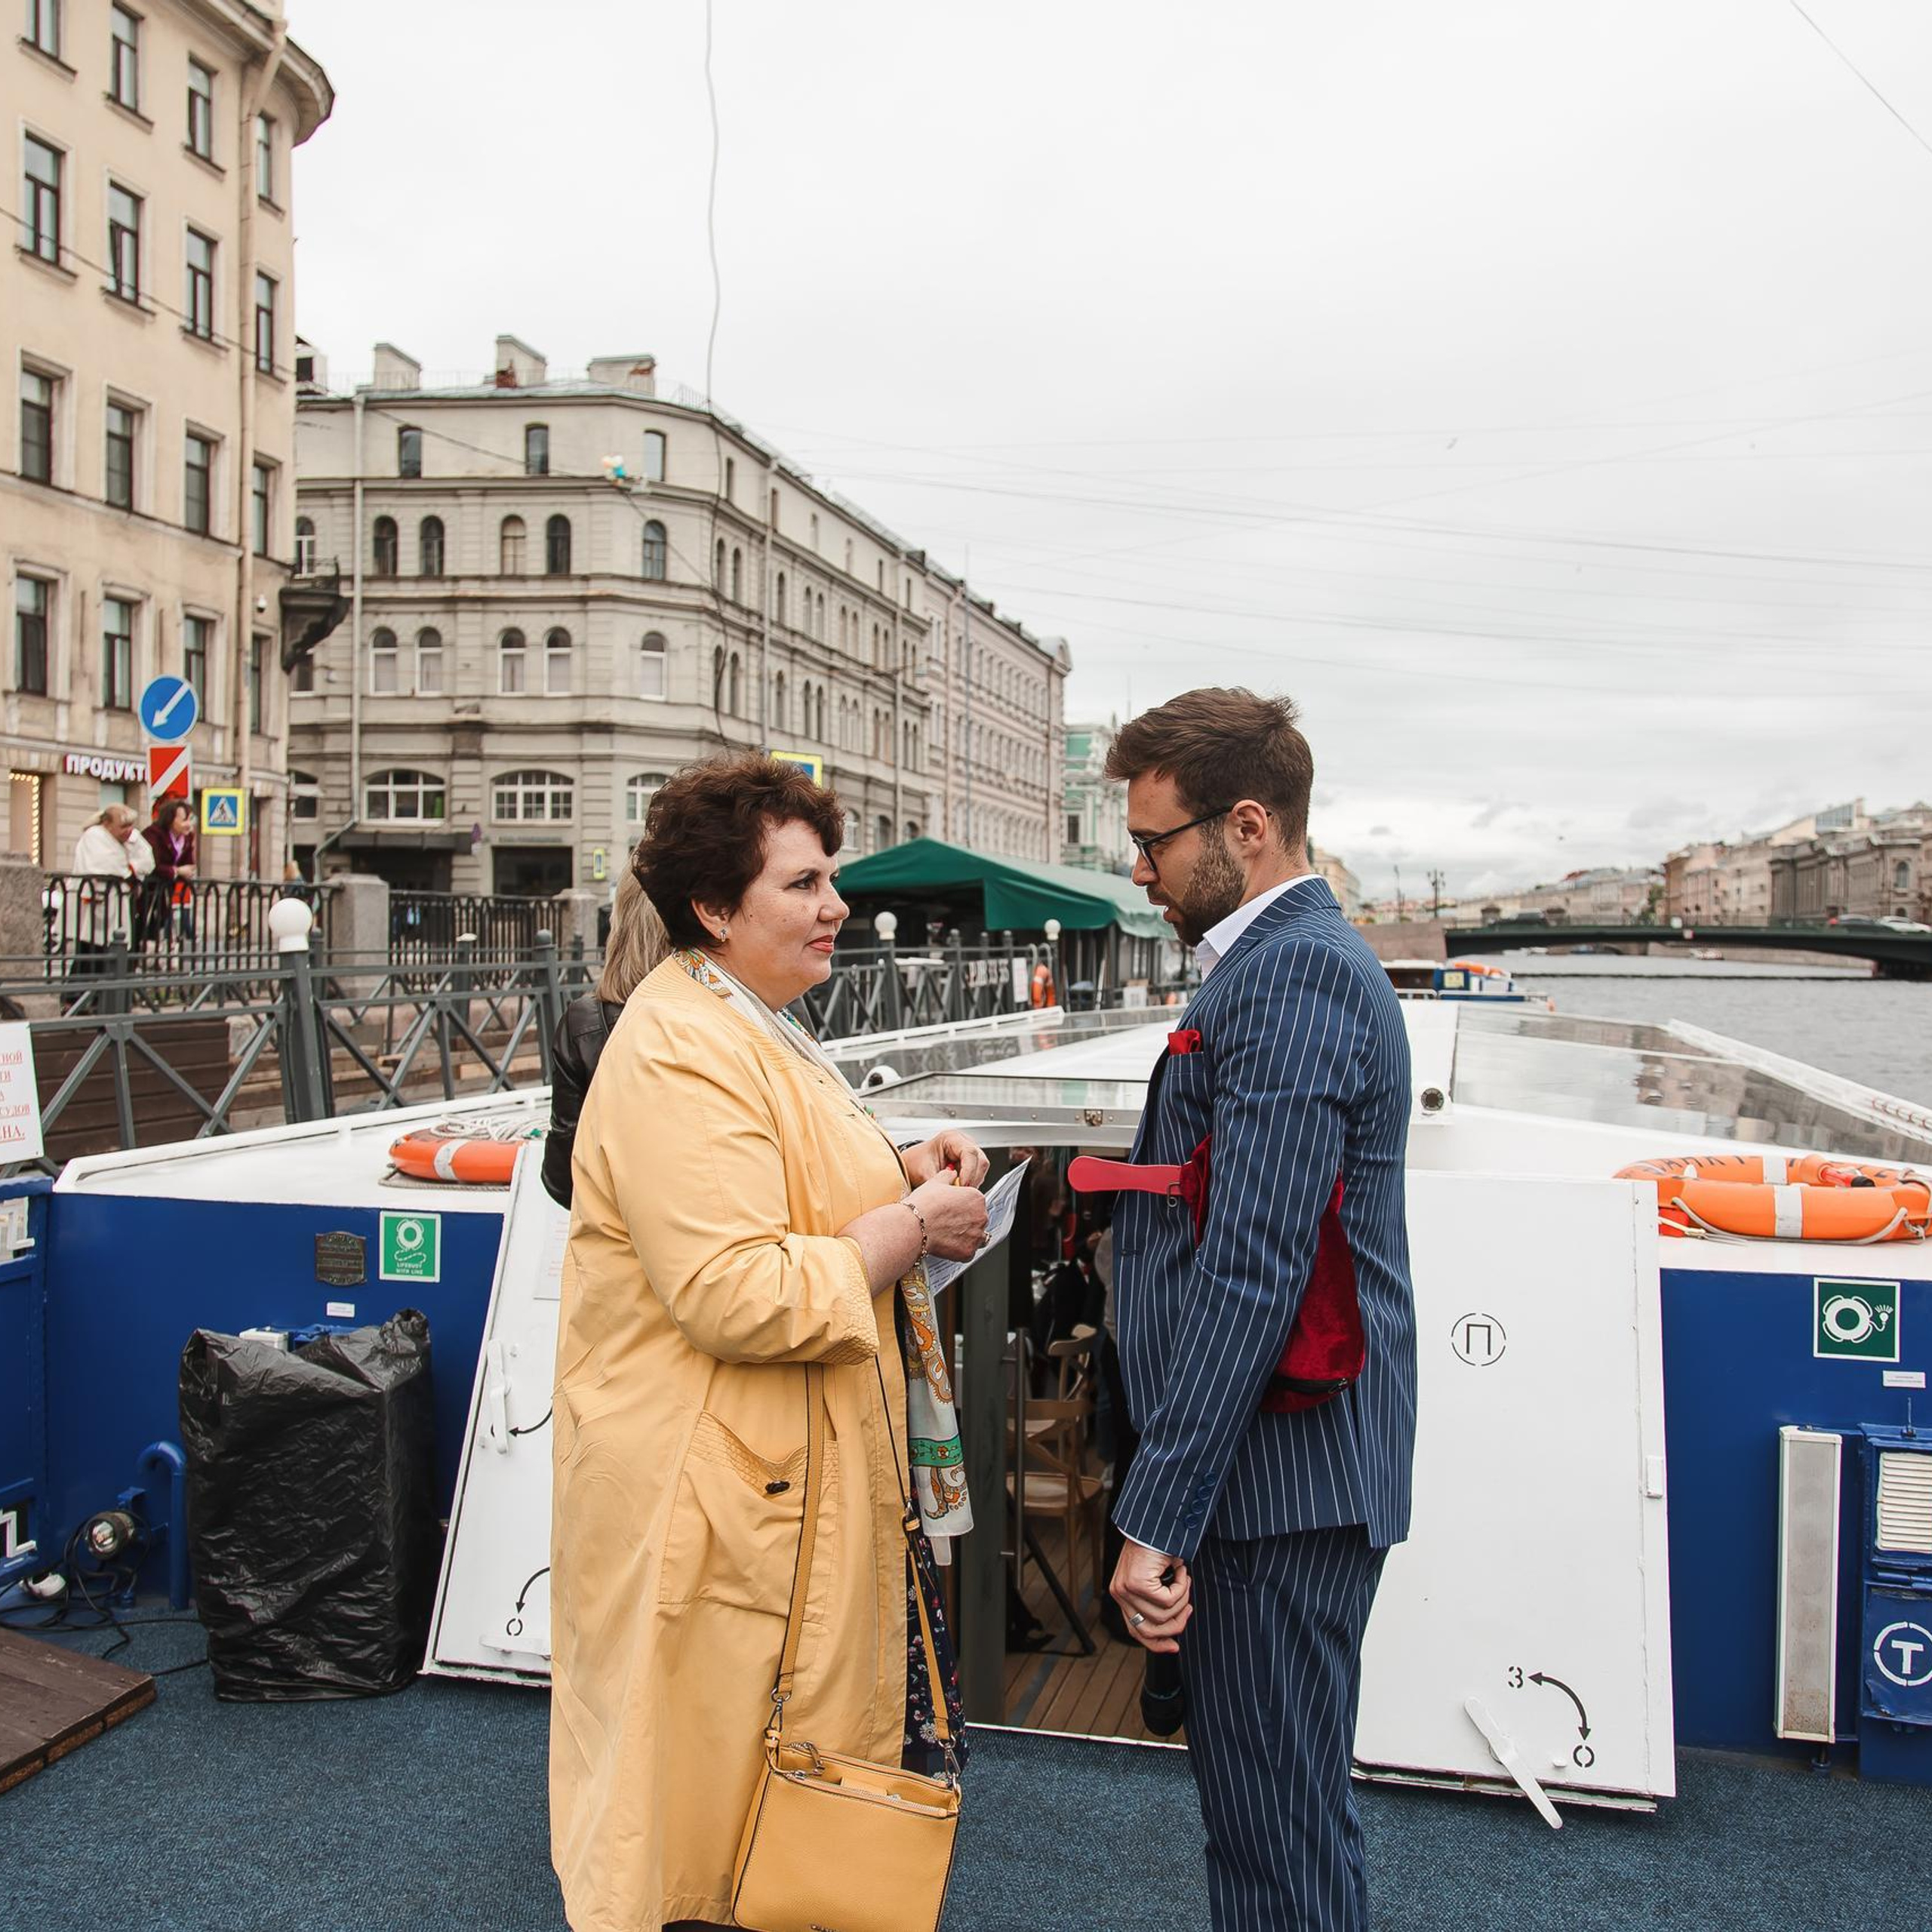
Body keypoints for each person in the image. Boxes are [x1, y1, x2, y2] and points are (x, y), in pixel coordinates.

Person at [549, 753, 990, 1932]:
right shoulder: (681, 1047)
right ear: (712, 907)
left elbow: (784, 1187)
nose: (835, 905)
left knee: (771, 1814)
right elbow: (735, 1288)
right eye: (802, 885)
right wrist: (913, 1225)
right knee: (712, 1834)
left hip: (779, 1483)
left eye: (829, 879)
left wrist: (900, 1167)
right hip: (726, 1499)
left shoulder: (748, 1021)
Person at [1102, 688, 1417, 1932]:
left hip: (1276, 1493)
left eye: (1154, 842)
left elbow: (1254, 1270)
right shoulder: (1286, 966)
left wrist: (1157, 1515)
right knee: (1276, 1826)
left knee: (1274, 1844)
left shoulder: (1290, 979)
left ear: (1246, 826)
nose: (1139, 872)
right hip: (1283, 1475)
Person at [540, 868, 669, 1208]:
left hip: (620, 1231)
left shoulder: (585, 1021)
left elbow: (563, 1179)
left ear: (619, 920)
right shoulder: (749, 1006)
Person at [140, 799, 197, 946]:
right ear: (170, 819)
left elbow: (189, 865)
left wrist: (185, 871)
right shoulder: (154, 834)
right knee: (144, 925)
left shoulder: (187, 837)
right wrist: (176, 871)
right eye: (184, 820)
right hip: (147, 890)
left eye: (190, 819)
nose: (188, 824)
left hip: (166, 890)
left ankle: (157, 951)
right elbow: (153, 864)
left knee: (162, 925)